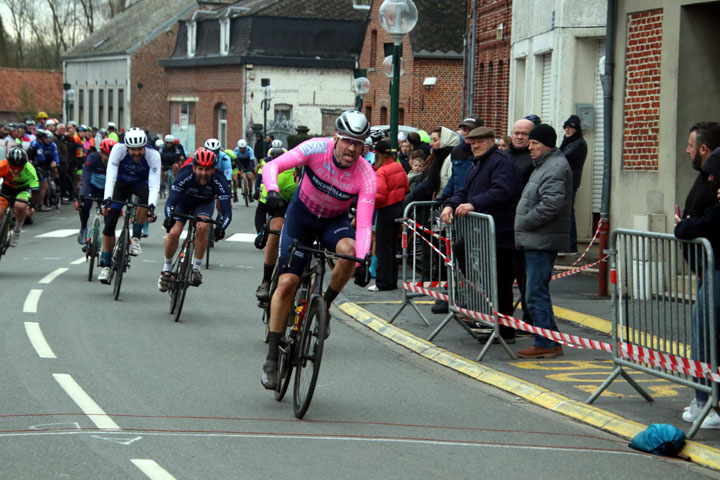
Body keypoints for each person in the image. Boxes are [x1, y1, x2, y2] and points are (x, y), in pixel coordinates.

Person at [259, 110, 376, 390]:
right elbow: (272, 167)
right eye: (347, 140)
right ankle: (272, 357)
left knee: (349, 253)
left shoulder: (366, 174)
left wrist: (362, 258)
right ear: (336, 137)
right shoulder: (315, 149)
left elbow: (363, 224)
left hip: (332, 223)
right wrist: (273, 191)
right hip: (301, 217)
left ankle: (324, 306)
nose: (352, 148)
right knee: (287, 283)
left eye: (358, 143)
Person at [440, 127, 523, 343]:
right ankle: (487, 314)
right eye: (471, 142)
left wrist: (474, 204)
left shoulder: (501, 162)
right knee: (469, 257)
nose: (474, 146)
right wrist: (450, 205)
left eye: (479, 142)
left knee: (501, 283)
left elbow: (501, 191)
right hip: (483, 233)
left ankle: (505, 331)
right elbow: (464, 191)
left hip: (503, 233)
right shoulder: (476, 164)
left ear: (491, 141)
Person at [514, 124, 573, 358]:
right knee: (537, 291)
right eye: (529, 143)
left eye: (535, 143)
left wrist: (525, 222)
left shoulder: (555, 167)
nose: (530, 148)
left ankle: (545, 342)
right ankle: (549, 338)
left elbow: (552, 204)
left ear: (547, 144)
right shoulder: (546, 164)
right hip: (538, 238)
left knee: (535, 292)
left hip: (542, 239)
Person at [158, 148, 232, 291]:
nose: (204, 173)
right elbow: (170, 202)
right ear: (194, 167)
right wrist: (169, 218)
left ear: (213, 169)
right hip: (183, 203)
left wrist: (221, 227)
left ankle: (196, 269)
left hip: (204, 205)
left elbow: (227, 212)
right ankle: (166, 269)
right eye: (200, 169)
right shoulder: (185, 174)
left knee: (203, 227)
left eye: (208, 169)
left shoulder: (220, 179)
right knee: (174, 232)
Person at [97, 128, 160, 284]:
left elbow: (154, 184)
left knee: (144, 199)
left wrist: (152, 207)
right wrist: (107, 200)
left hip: (141, 184)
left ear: (145, 146)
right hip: (121, 184)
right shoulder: (118, 150)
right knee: (109, 225)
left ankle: (136, 237)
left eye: (140, 149)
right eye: (133, 149)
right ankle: (106, 265)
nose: (137, 153)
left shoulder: (153, 155)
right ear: (127, 147)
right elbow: (110, 176)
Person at [254, 147, 298, 301]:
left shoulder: (313, 183)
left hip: (304, 206)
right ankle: (266, 281)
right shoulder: (278, 178)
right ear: (294, 175)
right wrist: (260, 233)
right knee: (276, 230)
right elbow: (261, 210)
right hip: (281, 203)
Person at [506, 118, 536, 326]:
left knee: (528, 280)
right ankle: (504, 322)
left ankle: (530, 321)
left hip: (525, 228)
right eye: (516, 132)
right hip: (506, 228)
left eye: (524, 134)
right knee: (503, 279)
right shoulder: (504, 157)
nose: (519, 137)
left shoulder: (534, 160)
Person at [368, 140, 409, 291]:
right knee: (392, 246)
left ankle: (383, 283)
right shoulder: (398, 165)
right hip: (398, 208)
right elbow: (406, 186)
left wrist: (369, 202)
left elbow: (380, 196)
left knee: (382, 248)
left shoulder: (381, 171)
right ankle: (392, 281)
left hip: (385, 210)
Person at [75, 138, 116, 245]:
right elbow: (85, 178)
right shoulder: (93, 158)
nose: (109, 159)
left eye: (111, 156)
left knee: (109, 211)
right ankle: (83, 227)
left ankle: (106, 234)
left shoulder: (117, 162)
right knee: (85, 204)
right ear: (100, 152)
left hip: (107, 189)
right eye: (106, 156)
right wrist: (81, 196)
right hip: (92, 186)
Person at [559, 114, 588, 255]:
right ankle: (566, 245)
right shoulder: (569, 141)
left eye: (570, 128)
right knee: (565, 212)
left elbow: (561, 158)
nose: (567, 130)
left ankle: (570, 246)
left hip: (569, 182)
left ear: (576, 129)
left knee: (568, 213)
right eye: (566, 127)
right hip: (565, 181)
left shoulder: (578, 143)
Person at [0, 147, 38, 246]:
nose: (16, 171)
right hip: (7, 188)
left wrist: (32, 206)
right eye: (13, 167)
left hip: (23, 189)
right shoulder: (2, 166)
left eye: (20, 167)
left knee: (20, 206)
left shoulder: (30, 170)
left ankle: (17, 230)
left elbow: (34, 190)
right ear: (8, 164)